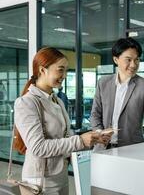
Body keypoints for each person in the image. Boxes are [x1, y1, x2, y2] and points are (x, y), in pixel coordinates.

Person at [14, 47, 113, 194]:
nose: (64, 75)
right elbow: (38, 148)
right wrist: (80, 140)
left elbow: (66, 137)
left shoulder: (57, 101)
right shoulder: (26, 103)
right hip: (40, 180)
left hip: (60, 174)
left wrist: (92, 138)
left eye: (66, 70)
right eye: (60, 70)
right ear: (42, 70)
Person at [90, 37, 144, 147]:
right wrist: (99, 133)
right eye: (128, 59)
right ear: (116, 59)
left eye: (136, 60)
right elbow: (95, 114)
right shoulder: (103, 83)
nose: (133, 65)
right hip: (103, 147)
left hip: (131, 148)